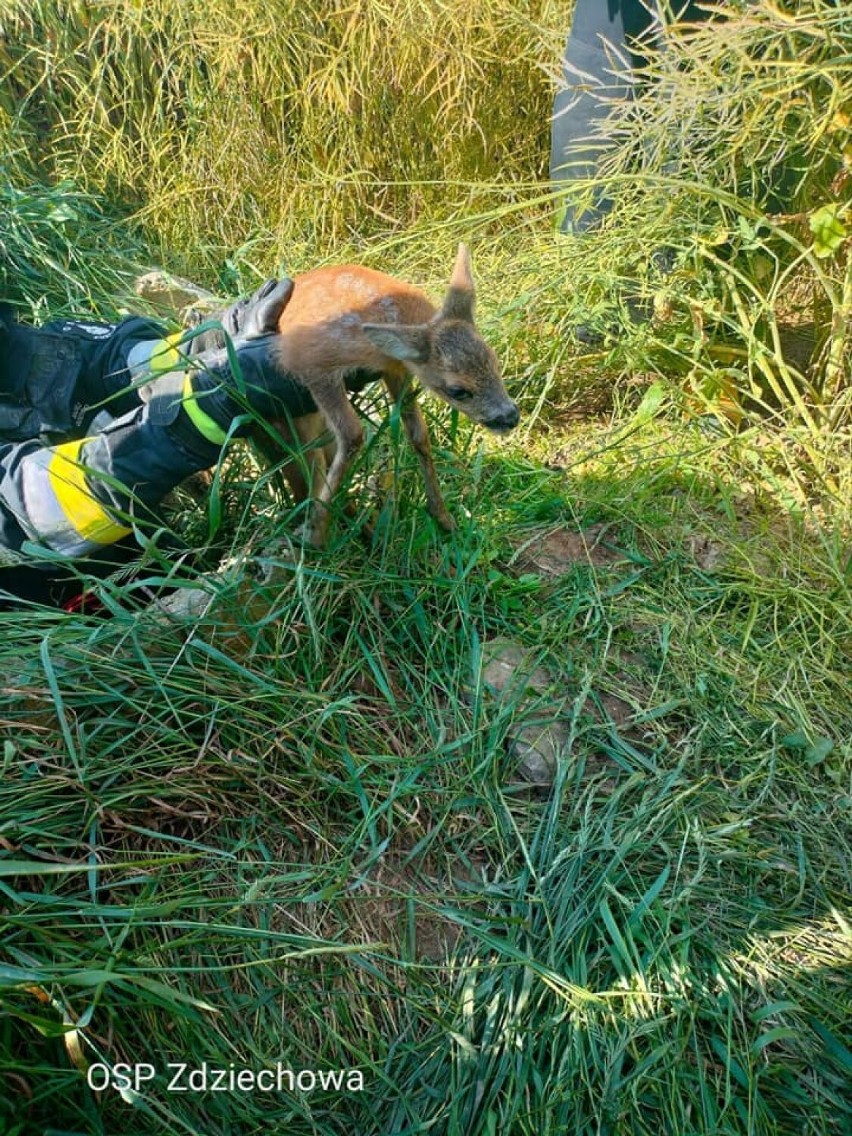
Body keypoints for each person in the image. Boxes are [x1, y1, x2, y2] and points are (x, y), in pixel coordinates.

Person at [0, 280, 376, 608]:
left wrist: (219, 342)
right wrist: (194, 416)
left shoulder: (12, 349)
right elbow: (28, 509)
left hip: (151, 566)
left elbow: (103, 365)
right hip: (62, 639)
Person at [551, 0, 707, 234]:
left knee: (681, 135)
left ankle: (671, 257)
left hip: (702, 20)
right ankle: (584, 247)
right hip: (612, 11)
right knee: (590, 122)